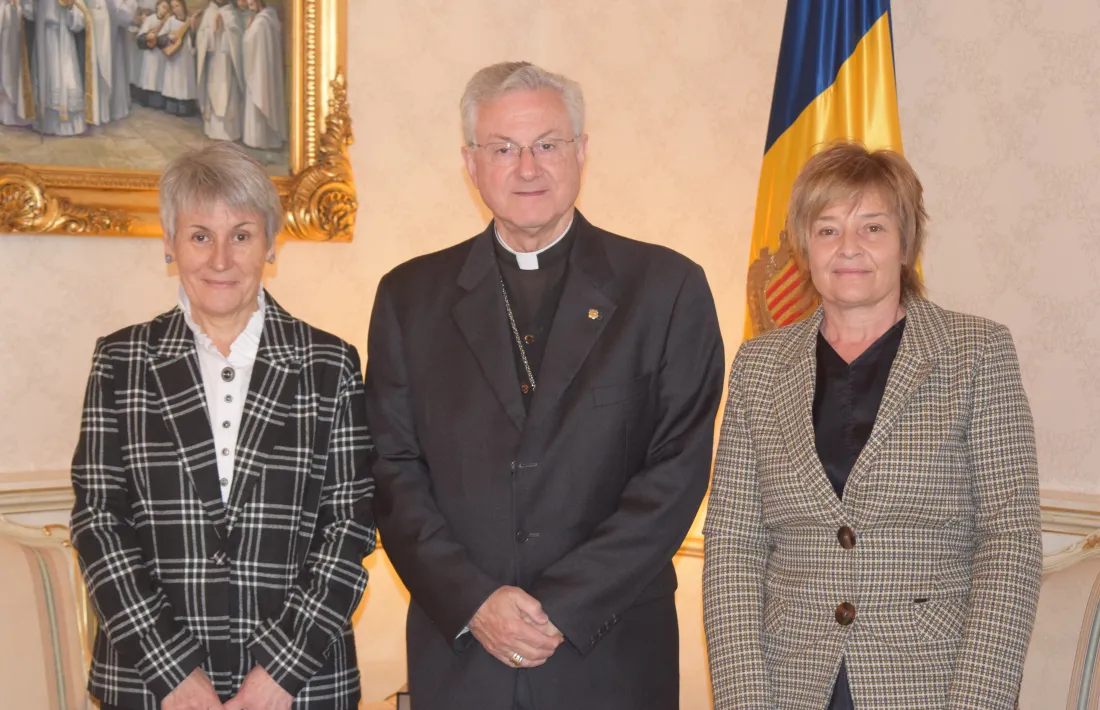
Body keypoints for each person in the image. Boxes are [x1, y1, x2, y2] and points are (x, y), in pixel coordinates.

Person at [365, 61, 724, 710]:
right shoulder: (408, 298)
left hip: (610, 654)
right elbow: (392, 473)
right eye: (503, 149)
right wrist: (475, 602)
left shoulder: (666, 289)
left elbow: (675, 473)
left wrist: (563, 605)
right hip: (464, 660)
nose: (526, 168)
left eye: (547, 145)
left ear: (583, 152)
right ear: (470, 164)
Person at [703, 142, 1043, 709]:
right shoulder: (759, 366)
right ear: (803, 246)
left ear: (907, 243)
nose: (849, 248)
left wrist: (977, 701)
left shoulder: (976, 354)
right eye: (828, 229)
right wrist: (744, 699)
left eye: (873, 228)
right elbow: (735, 544)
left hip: (929, 684)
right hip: (791, 685)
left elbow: (1010, 545)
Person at [70, 142, 376, 710]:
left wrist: (275, 678)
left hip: (299, 687)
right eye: (199, 236)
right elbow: (99, 524)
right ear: (169, 243)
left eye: (240, 234)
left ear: (271, 242)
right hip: (148, 684)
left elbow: (349, 529)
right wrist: (175, 677)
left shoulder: (329, 364)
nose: (220, 260)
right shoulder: (121, 361)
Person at [27, 0, 87, 135]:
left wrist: (71, 7)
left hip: (63, 38)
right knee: (45, 79)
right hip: (43, 37)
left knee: (66, 78)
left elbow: (81, 20)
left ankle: (68, 125)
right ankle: (45, 123)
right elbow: (30, 13)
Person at [195, 0, 244, 141]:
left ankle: (229, 132)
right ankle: (213, 130)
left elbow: (238, 37)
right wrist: (212, 32)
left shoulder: (231, 13)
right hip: (213, 60)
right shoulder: (209, 12)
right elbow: (201, 36)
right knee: (213, 90)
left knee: (228, 93)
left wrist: (226, 31)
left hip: (228, 61)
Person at [241, 0, 285, 149]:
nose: (249, 2)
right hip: (261, 68)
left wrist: (247, 30)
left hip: (260, 70)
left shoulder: (261, 22)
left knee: (259, 99)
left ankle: (259, 140)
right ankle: (265, 139)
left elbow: (249, 43)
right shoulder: (269, 17)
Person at [85, 0, 136, 124]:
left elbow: (126, 11)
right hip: (91, 24)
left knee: (112, 69)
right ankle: (94, 109)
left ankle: (108, 108)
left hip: (111, 31)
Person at [158, 0, 197, 116]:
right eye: (173, 7)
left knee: (185, 81)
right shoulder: (171, 21)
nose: (176, 9)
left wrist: (193, 30)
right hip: (173, 58)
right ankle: (172, 107)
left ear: (183, 5)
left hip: (186, 57)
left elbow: (194, 38)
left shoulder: (190, 20)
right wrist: (169, 37)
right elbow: (160, 38)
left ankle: (185, 108)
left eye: (178, 6)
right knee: (173, 82)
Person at [0, 0, 33, 127]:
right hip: (3, 23)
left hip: (15, 29)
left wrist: (20, 5)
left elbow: (30, 11)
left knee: (11, 71)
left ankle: (13, 114)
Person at [133, 0, 167, 109]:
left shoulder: (168, 21)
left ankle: (158, 102)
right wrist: (148, 37)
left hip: (162, 55)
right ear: (157, 7)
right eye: (162, 6)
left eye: (166, 8)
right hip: (150, 56)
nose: (164, 10)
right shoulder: (150, 19)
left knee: (159, 79)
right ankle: (147, 100)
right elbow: (140, 37)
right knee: (149, 77)